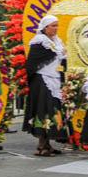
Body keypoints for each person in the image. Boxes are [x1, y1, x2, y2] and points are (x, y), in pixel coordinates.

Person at [23, 14, 69, 156]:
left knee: (53, 110)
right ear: (45, 27)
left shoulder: (57, 41)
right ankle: (42, 146)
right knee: (44, 110)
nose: (56, 28)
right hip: (42, 80)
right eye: (53, 26)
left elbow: (61, 61)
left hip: (54, 79)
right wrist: (58, 53)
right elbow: (32, 63)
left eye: (57, 25)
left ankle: (46, 144)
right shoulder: (39, 42)